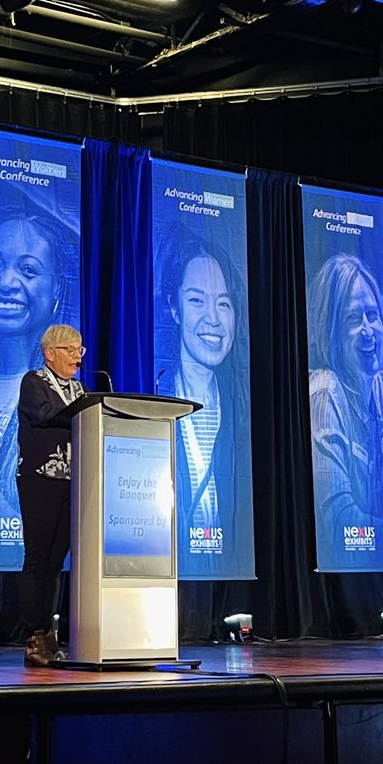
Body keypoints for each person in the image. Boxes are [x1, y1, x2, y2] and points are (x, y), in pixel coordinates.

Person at [0, 206, 75, 563]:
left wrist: (3, 523)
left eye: (27, 270)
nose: (5, 282)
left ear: (57, 287)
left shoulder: (67, 400)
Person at [157, 230, 251, 576]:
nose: (213, 318)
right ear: (174, 308)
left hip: (228, 564)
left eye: (223, 303)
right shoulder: (156, 398)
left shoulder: (242, 409)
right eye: (197, 300)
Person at [307, 253, 383, 545]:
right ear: (330, 330)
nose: (368, 330)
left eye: (372, 315)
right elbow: (340, 523)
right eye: (352, 318)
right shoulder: (324, 394)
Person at [16, 323, 86, 667]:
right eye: (71, 350)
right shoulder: (34, 382)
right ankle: (34, 635)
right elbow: (44, 416)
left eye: (80, 350)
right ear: (50, 353)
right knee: (38, 558)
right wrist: (87, 410)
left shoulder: (79, 390)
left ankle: (50, 635)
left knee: (56, 563)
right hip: (40, 480)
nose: (78, 357)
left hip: (73, 482)